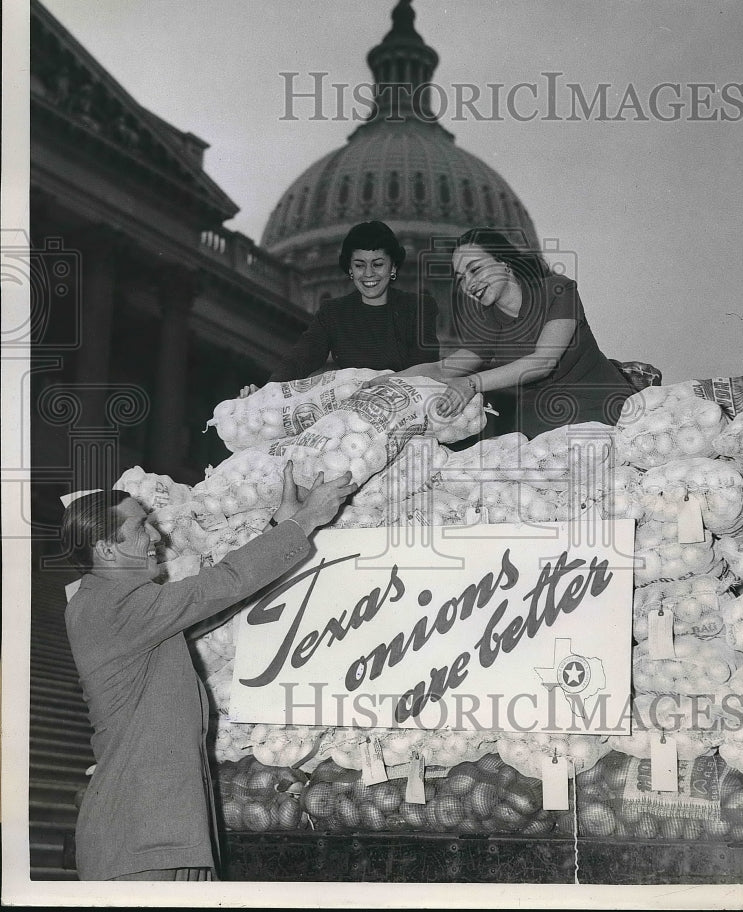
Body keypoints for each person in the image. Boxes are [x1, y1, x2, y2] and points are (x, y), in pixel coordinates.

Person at [62, 463, 355, 881]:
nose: (157, 538)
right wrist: (306, 519)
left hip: (166, 831)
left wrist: (280, 525)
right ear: (107, 549)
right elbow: (222, 583)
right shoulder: (112, 606)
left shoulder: (121, 608)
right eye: (142, 526)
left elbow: (212, 603)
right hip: (140, 840)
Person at [389, 228, 636, 439]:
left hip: (601, 409)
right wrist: (389, 380)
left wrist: (471, 383)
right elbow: (444, 369)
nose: (469, 284)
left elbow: (542, 362)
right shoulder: (488, 321)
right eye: (461, 278)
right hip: (539, 427)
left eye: (475, 270)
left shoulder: (558, 290)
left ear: (505, 264)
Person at [252, 221, 439, 388]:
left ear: (393, 267)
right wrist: (267, 392)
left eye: (378, 264)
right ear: (350, 269)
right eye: (359, 265)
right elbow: (300, 359)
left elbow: (425, 371)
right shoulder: (332, 313)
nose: (368, 274)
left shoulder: (418, 308)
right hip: (347, 413)